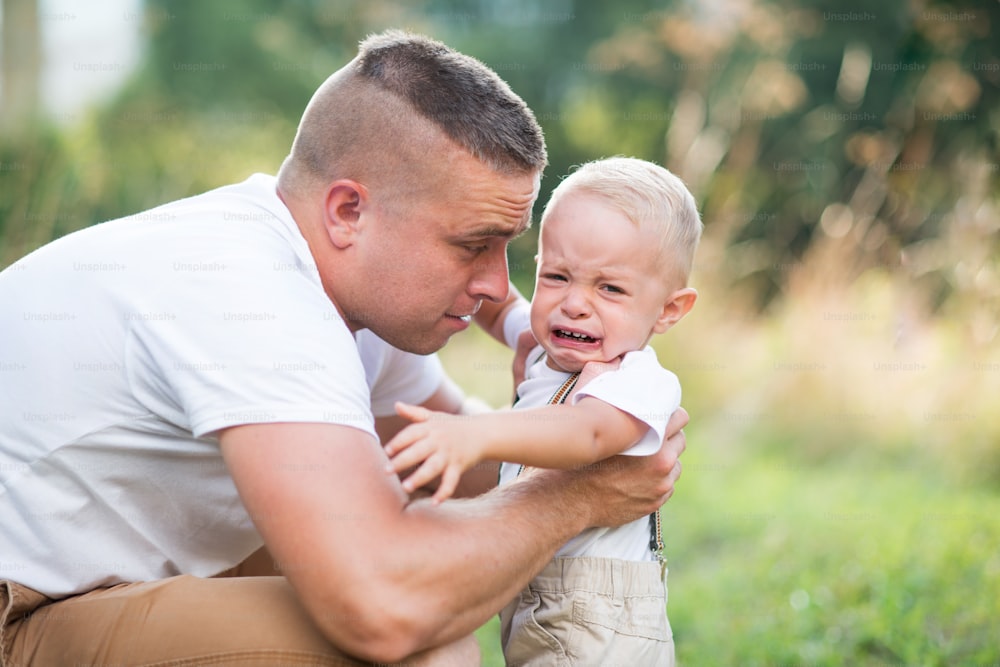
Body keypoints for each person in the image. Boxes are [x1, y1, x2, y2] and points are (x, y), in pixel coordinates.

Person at [0, 30, 688, 666]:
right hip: (22, 606)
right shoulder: (251, 296)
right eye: (472, 245)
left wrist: (573, 412)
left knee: (419, 556)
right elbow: (385, 609)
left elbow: (442, 467)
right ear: (348, 211)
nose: (495, 287)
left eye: (511, 250)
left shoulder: (342, 299)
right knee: (419, 644)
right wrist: (579, 495)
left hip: (100, 573)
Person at [385, 157, 701, 665]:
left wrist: (477, 434)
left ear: (668, 310)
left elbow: (589, 432)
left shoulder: (636, 379)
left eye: (610, 288)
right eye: (557, 276)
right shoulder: (543, 352)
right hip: (536, 598)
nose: (574, 304)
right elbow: (496, 305)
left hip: (601, 625)